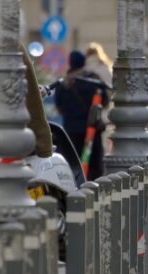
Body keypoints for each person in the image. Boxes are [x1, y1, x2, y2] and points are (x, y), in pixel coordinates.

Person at [55, 50, 108, 180]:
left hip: (71, 131)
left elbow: (59, 107)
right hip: (92, 130)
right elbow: (105, 101)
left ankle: (76, 188)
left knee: (73, 162)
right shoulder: (94, 80)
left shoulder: (64, 83)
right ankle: (93, 188)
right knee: (94, 164)